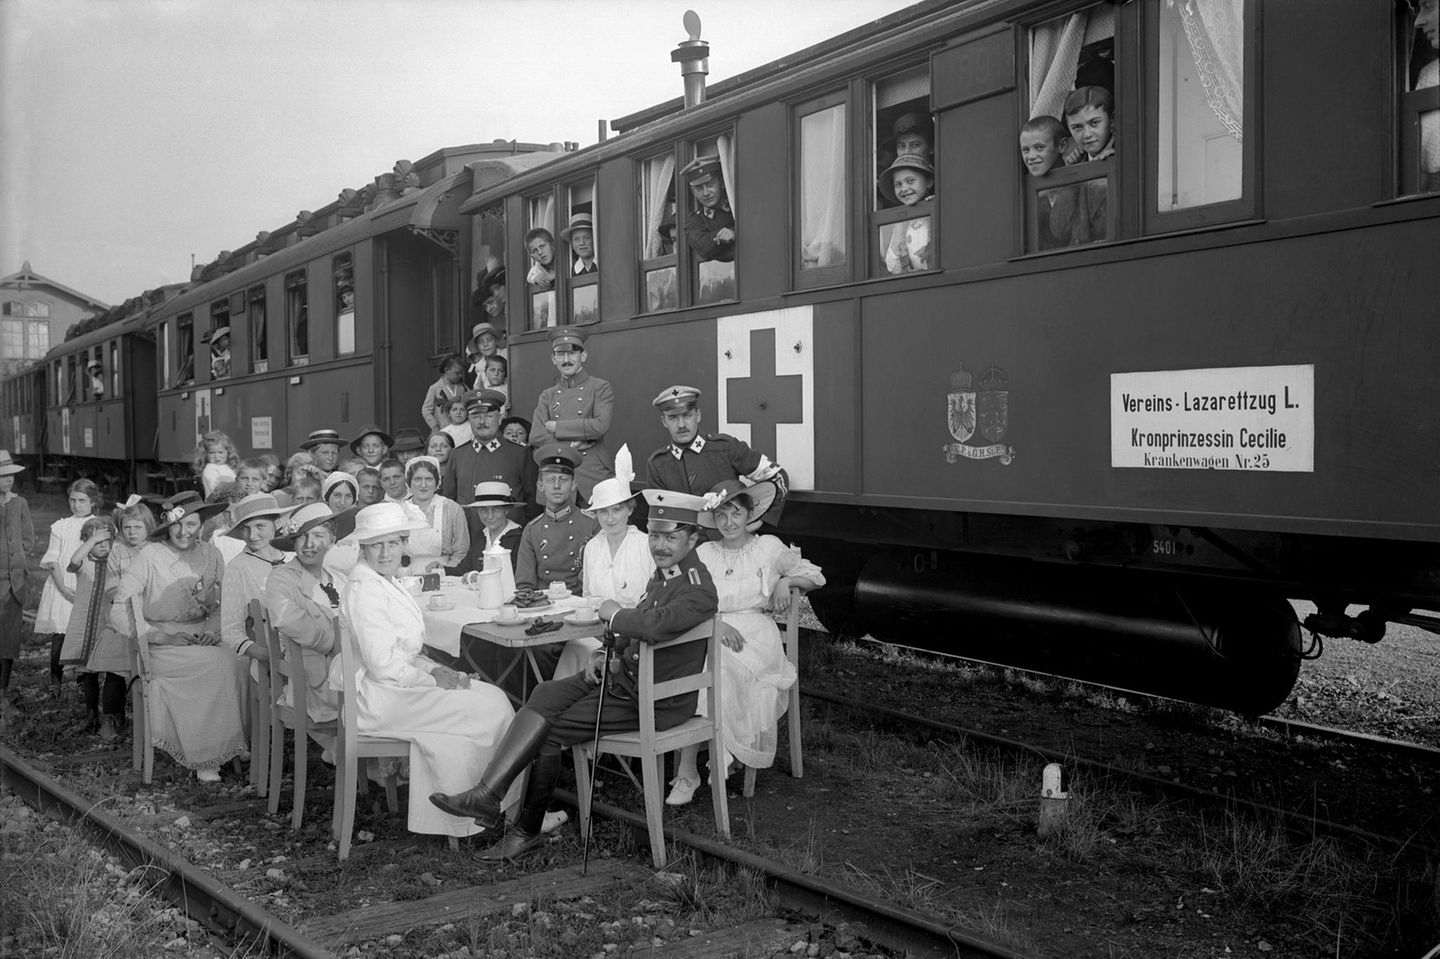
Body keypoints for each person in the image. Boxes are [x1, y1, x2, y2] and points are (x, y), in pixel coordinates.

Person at [429, 488, 719, 862]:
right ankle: (488, 795)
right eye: (656, 536)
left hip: (654, 700)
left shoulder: (696, 586)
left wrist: (613, 613)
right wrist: (604, 651)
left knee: (549, 733)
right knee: (545, 693)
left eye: (671, 537)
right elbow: (641, 629)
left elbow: (654, 625)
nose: (660, 545)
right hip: (625, 681)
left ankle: (525, 832)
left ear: (693, 538)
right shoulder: (668, 574)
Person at [335, 502, 520, 839]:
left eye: (393, 543)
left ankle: (489, 803)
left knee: (490, 698)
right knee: (492, 704)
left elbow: (403, 653)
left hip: (396, 687)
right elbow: (384, 665)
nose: (385, 552)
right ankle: (499, 808)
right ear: (363, 548)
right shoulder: (365, 590)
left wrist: (438, 670)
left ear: (404, 544)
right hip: (383, 699)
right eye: (376, 545)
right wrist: (434, 677)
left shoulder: (381, 581)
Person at [666, 480, 824, 805]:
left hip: (756, 636)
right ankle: (689, 771)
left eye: (736, 513)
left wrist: (787, 580)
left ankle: (690, 770)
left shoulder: (768, 547)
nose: (729, 522)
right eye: (721, 515)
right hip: (713, 628)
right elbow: (681, 594)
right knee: (695, 665)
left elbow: (817, 576)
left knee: (718, 670)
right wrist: (714, 622)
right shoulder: (705, 553)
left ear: (749, 513)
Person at [109, 493, 249, 782]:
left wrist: (214, 630)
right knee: (215, 666)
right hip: (161, 645)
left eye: (192, 525)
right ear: (167, 525)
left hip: (205, 636)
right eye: (178, 525)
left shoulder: (212, 554)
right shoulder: (151, 555)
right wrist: (161, 637)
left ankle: (232, 741)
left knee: (241, 660)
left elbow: (226, 602)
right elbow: (119, 613)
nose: (184, 532)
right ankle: (205, 755)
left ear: (202, 525)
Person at [265, 503, 355, 726]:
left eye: (318, 535)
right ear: (293, 541)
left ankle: (350, 755)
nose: (309, 544)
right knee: (378, 698)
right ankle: (349, 753)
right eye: (302, 537)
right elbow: (288, 619)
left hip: (347, 666)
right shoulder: (281, 578)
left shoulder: (339, 579)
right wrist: (335, 642)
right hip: (313, 675)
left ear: (332, 540)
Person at [645, 386, 788, 524]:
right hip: (687, 546)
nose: (681, 425)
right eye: (673, 418)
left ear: (698, 415)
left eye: (687, 415)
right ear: (664, 421)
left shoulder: (725, 448)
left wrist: (761, 519)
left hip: (728, 541)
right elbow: (661, 517)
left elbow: (777, 475)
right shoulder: (658, 464)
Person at [441, 389, 536, 571]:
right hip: (467, 548)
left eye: (488, 415)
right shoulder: (458, 455)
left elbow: (532, 503)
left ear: (499, 417)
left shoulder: (519, 453)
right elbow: (450, 503)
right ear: (469, 419)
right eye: (476, 415)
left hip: (510, 549)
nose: (482, 421)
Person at [58, 517, 129, 740]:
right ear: (87, 541)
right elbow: (73, 560)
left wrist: (110, 538)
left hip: (106, 623)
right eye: (98, 542)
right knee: (88, 673)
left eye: (107, 541)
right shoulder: (83, 560)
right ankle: (91, 716)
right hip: (85, 623)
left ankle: (115, 716)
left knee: (112, 669)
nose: (103, 546)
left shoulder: (114, 561)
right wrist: (93, 539)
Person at [528, 326, 615, 501]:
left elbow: (600, 426)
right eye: (560, 354)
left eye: (572, 354)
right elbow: (536, 436)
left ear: (583, 356)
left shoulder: (600, 387)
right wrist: (573, 444)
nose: (566, 360)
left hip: (592, 473)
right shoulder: (548, 395)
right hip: (556, 472)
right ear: (553, 358)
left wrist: (558, 427)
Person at [220, 493, 296, 668]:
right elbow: (231, 631)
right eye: (246, 528)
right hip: (268, 653)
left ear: (276, 524)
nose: (252, 535)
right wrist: (268, 656)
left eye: (260, 526)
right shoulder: (238, 567)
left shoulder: (294, 557)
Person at [38, 479, 101, 693]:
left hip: (89, 584)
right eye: (72, 500)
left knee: (87, 633)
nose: (76, 505)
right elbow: (53, 559)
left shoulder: (99, 525)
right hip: (62, 583)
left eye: (82, 501)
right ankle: (56, 681)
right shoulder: (61, 526)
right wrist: (64, 589)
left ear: (93, 502)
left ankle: (84, 681)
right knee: (61, 633)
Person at [581, 446, 653, 608]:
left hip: (636, 626)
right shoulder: (592, 547)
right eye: (603, 512)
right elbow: (587, 594)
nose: (610, 518)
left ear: (630, 509)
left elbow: (654, 595)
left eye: (617, 510)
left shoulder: (645, 545)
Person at [0, 450, 34, 733]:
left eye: (10, 476)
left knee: (9, 640)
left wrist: (18, 563)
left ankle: (4, 696)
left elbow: (27, 538)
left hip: (14, 583)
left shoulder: (20, 503)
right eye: (2, 476)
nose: (8, 481)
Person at [403, 456, 468, 574]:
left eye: (429, 479)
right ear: (409, 482)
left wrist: (446, 571)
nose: (423, 485)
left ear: (437, 482)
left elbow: (461, 551)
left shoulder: (452, 509)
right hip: (408, 575)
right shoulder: (401, 511)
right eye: (417, 479)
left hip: (446, 574)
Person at [878, 154, 935, 274]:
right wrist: (900, 229)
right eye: (898, 184)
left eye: (910, 181)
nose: (904, 188)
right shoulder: (902, 223)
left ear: (929, 181)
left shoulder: (939, 206)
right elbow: (893, 267)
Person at [681, 156, 735, 262]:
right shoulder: (694, 221)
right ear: (693, 192)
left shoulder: (737, 207)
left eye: (710, 185)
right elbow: (703, 246)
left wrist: (733, 233)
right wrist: (721, 237)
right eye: (699, 188)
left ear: (722, 183)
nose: (706, 193)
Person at [463, 482, 524, 560]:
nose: (490, 516)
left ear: (507, 510)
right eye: (484, 510)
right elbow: (466, 567)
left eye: (496, 510)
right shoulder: (480, 537)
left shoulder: (519, 538)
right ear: (477, 511)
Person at [1065, 86, 1115, 162]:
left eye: (1094, 123)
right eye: (1077, 127)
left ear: (1111, 121)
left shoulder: (1126, 153)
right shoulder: (1076, 162)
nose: (1087, 134)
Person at [422, 355, 469, 432]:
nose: (460, 376)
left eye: (461, 373)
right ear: (446, 370)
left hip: (461, 430)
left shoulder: (463, 388)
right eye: (457, 373)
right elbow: (426, 410)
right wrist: (434, 426)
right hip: (443, 430)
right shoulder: (435, 388)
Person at [193, 430, 241, 498]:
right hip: (218, 503)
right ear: (205, 454)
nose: (217, 457)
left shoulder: (227, 467)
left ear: (228, 452)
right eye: (212, 453)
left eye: (220, 452)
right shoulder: (210, 469)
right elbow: (215, 488)